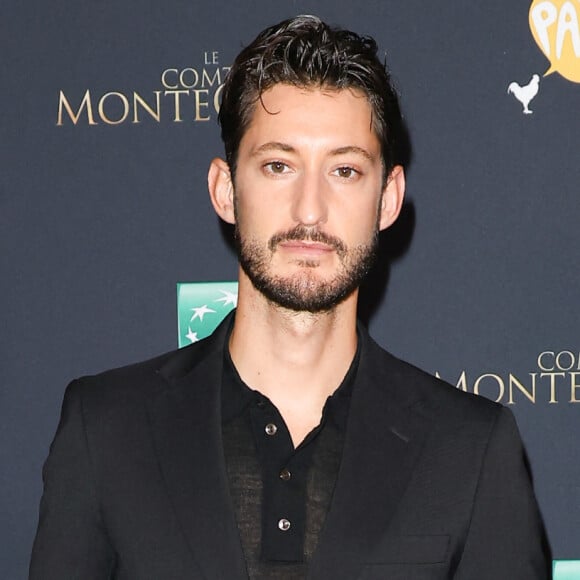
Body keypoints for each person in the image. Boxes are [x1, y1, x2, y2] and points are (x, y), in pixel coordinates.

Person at [30, 15, 550, 580]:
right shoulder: (106, 429)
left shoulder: (469, 450)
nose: (310, 210)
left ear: (389, 199)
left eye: (345, 170)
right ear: (225, 190)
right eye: (278, 166)